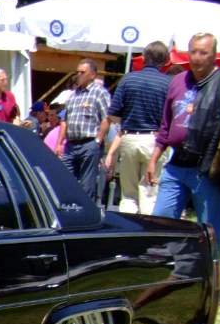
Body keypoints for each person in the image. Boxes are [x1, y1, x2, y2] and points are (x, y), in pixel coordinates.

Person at [151, 33, 220, 260]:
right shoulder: (177, 81)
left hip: (207, 167)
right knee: (161, 220)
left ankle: (210, 279)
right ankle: (163, 271)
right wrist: (154, 159)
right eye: (193, 51)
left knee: (209, 231)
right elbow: (165, 125)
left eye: (204, 52)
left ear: (214, 55)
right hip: (175, 164)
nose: (197, 57)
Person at [103, 41, 172, 214]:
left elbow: (113, 114)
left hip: (129, 137)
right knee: (149, 193)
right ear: (165, 61)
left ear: (144, 58)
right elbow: (170, 117)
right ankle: (148, 234)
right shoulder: (168, 84)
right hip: (154, 140)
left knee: (128, 195)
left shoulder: (128, 79)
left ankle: (128, 232)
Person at [59, 58, 112, 202]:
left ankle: (84, 214)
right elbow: (65, 120)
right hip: (71, 144)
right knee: (65, 181)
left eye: (82, 72)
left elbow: (107, 118)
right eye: (77, 72)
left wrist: (98, 140)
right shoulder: (74, 95)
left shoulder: (99, 93)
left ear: (92, 75)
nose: (78, 75)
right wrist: (60, 143)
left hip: (89, 143)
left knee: (86, 185)